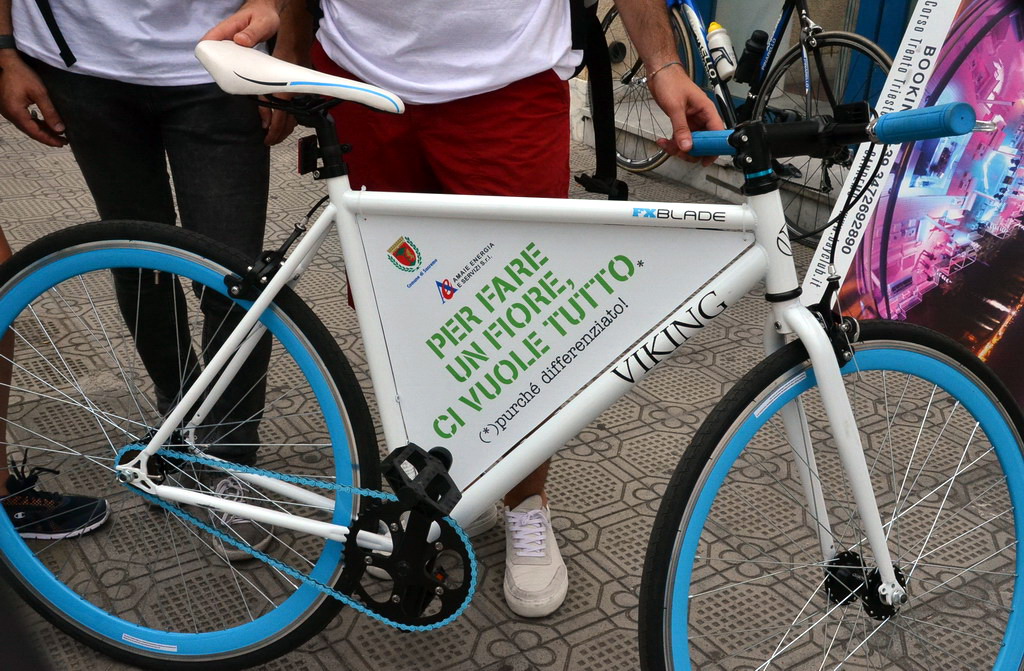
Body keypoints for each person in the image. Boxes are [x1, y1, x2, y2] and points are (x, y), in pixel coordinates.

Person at [206, 0, 723, 616]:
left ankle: (525, 503)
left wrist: (663, 62)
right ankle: (434, 483)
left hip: (509, 78)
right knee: (400, 312)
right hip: (361, 73)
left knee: (526, 316)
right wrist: (292, 49)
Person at [0, 0, 302, 550]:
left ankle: (232, 463)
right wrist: (4, 50)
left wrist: (285, 38)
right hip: (82, 62)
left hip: (221, 57)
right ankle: (179, 424)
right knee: (142, 268)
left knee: (235, 282)